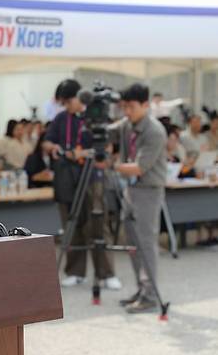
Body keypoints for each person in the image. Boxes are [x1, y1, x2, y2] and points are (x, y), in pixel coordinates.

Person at [43, 79, 120, 289]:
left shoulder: (95, 117)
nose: (67, 106)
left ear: (80, 96)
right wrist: (55, 148)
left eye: (69, 101)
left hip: (93, 176)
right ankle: (75, 271)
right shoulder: (60, 119)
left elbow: (109, 147)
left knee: (98, 223)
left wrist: (84, 153)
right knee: (71, 223)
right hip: (67, 178)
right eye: (64, 103)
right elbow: (47, 141)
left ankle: (106, 273)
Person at [112, 83, 167, 313]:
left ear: (146, 105)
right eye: (124, 107)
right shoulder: (128, 123)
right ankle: (141, 289)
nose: (127, 112)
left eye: (131, 107)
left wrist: (111, 166)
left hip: (148, 191)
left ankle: (151, 295)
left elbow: (140, 167)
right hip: (130, 191)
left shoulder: (154, 131)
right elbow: (108, 130)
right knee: (133, 244)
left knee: (145, 243)